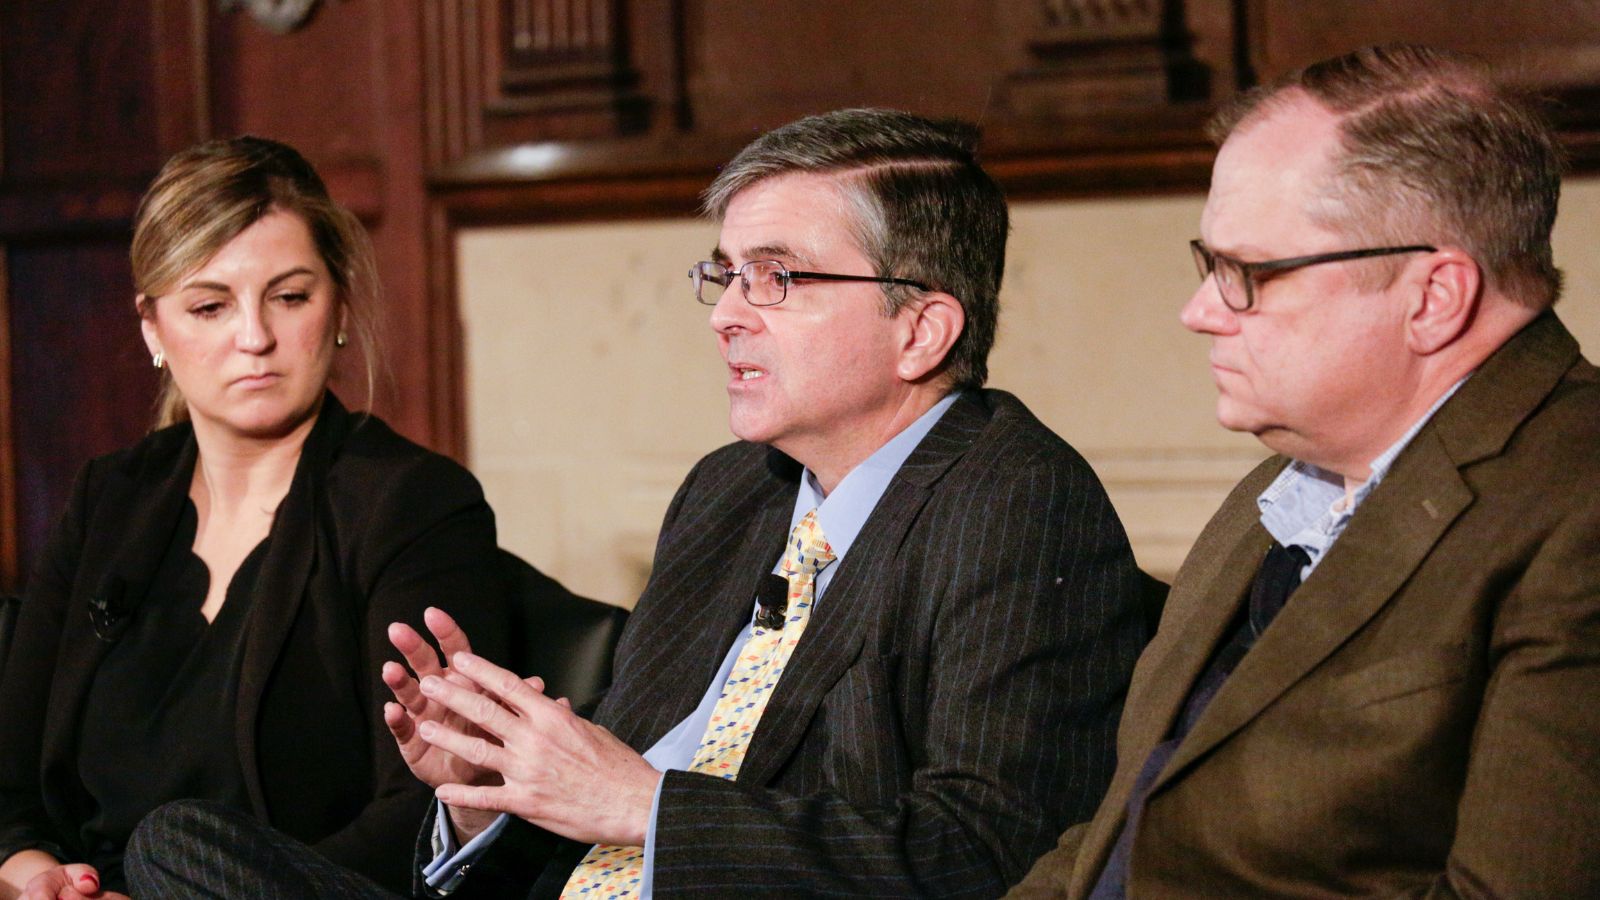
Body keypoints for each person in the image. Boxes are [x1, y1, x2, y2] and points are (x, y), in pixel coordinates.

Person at [126, 109, 1149, 898]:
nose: (728, 318)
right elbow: (608, 788)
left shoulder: (1017, 501)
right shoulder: (729, 493)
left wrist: (644, 805)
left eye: (777, 278)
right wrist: (484, 793)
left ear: (921, 330)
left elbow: (982, 855)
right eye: (726, 276)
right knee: (180, 848)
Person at [1010, 44, 1600, 898]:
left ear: (1433, 297)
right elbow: (1127, 826)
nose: (1199, 312)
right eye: (1205, 264)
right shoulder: (1279, 488)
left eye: (1248, 273)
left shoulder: (1577, 508)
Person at [0, 136, 509, 899]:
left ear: (337, 303)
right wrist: (34, 876)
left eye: (290, 296)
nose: (254, 339)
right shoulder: (110, 497)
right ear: (152, 329)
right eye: (209, 306)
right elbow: (11, 783)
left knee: (172, 846)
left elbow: (421, 811)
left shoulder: (414, 503)